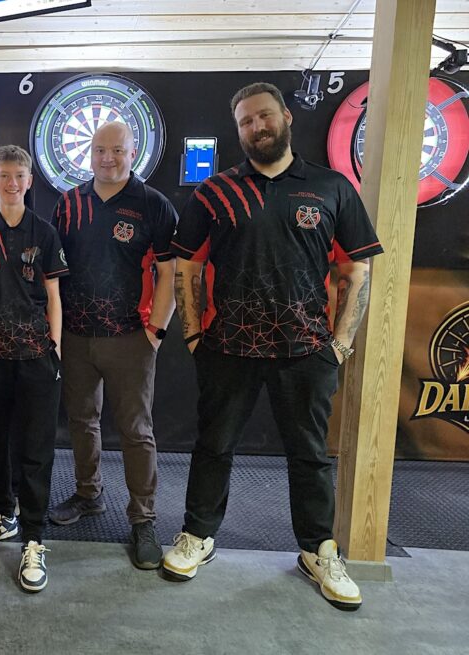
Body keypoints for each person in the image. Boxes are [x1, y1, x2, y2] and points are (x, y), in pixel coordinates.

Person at [164, 82, 382, 612]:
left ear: (286, 117)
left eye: (263, 116)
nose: (256, 127)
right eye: (245, 121)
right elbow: (187, 265)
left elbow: (356, 268)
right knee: (213, 447)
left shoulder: (331, 187)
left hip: (306, 350)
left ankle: (318, 550)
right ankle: (197, 536)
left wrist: (341, 343)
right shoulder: (215, 191)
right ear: (238, 131)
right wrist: (192, 333)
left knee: (310, 456)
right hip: (228, 347)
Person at [49, 121, 178, 570]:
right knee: (82, 420)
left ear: (132, 152)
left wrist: (156, 332)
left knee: (136, 431)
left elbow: (170, 273)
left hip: (130, 338)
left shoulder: (153, 205)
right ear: (90, 153)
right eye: (100, 150)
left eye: (117, 150)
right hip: (76, 336)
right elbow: (53, 272)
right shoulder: (68, 204)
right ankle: (89, 494)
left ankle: (143, 518)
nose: (108, 158)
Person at [0, 145, 66, 592]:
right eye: (3, 175)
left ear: (29, 181)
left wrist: (55, 349)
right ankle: (4, 514)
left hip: (36, 356)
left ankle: (34, 537)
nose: (11, 183)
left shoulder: (44, 232)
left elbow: (55, 296)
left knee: (36, 447)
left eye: (18, 175)